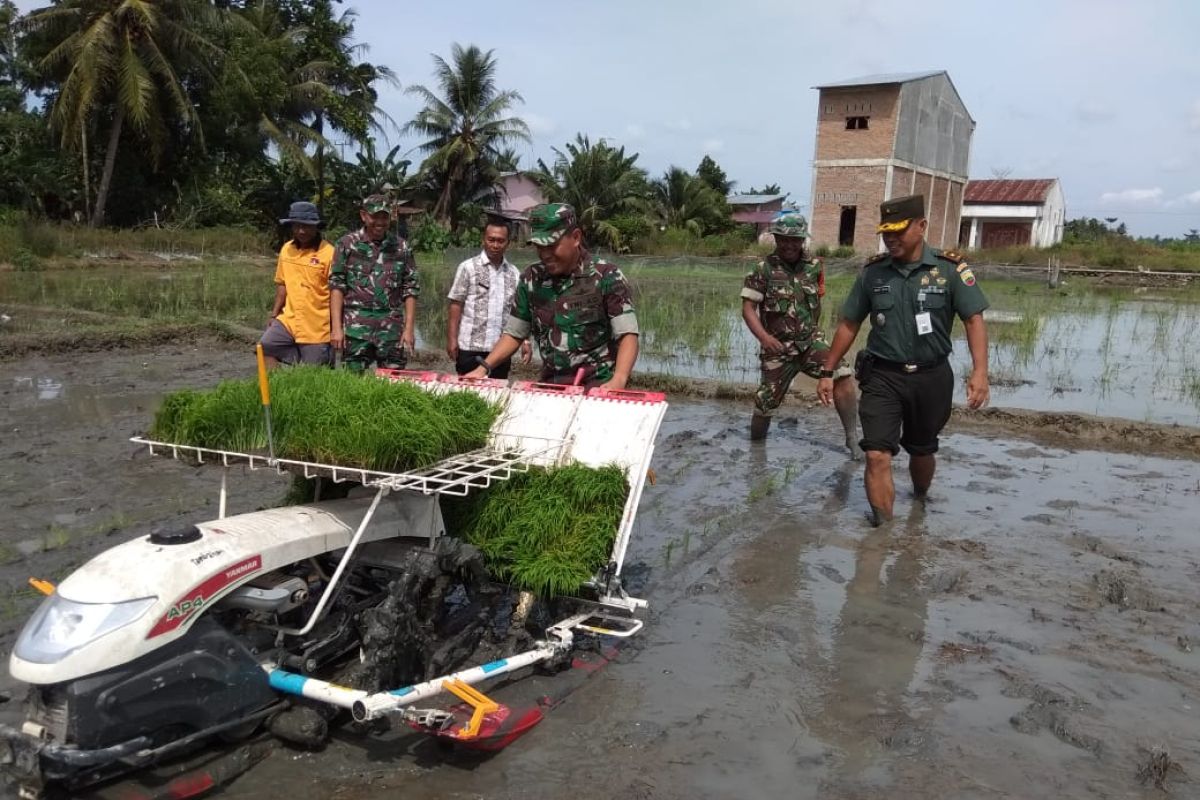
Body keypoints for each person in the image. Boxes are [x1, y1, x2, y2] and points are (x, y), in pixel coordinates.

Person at [817, 194, 990, 525]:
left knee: (922, 449)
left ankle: (920, 498)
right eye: (886, 232)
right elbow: (849, 323)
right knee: (876, 453)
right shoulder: (873, 273)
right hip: (883, 375)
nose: (891, 238)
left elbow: (973, 320)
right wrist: (827, 370)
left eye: (898, 230)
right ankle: (882, 530)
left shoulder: (950, 270)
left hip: (932, 377)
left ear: (921, 226)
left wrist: (980, 372)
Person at [465, 203, 639, 389]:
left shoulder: (606, 276)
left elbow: (627, 334)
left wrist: (619, 379)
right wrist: (483, 368)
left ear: (576, 237)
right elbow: (514, 334)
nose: (545, 254)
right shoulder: (532, 279)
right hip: (552, 386)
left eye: (551, 245)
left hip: (598, 387)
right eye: (539, 247)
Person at [740, 211, 860, 456]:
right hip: (778, 347)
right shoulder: (764, 269)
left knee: (843, 374)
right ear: (776, 239)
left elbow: (816, 301)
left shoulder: (815, 266)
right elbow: (748, 309)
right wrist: (765, 338)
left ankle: (851, 438)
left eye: (795, 239)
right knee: (765, 402)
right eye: (784, 239)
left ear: (802, 240)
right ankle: (756, 449)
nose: (789, 245)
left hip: (810, 343)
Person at [329, 194, 421, 372]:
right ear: (364, 215)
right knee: (352, 383)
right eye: (375, 216)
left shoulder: (401, 248)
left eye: (384, 217)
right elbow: (337, 287)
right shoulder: (347, 245)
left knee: (394, 384)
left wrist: (409, 329)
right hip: (356, 329)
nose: (380, 222)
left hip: (391, 330)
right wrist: (336, 328)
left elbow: (410, 289)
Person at [446, 214, 532, 378]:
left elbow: (519, 312)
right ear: (483, 240)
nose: (495, 245)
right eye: (491, 240)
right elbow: (456, 305)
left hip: (500, 350)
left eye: (500, 241)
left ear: (508, 243)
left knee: (495, 394)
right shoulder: (468, 268)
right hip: (470, 347)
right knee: (467, 391)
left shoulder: (513, 273)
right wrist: (451, 339)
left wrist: (525, 341)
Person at [259, 201, 335, 368]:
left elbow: (337, 293)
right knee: (264, 348)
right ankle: (278, 388)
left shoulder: (329, 253)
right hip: (289, 320)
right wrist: (274, 314)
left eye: (307, 226)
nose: (301, 231)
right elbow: (282, 284)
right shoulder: (287, 249)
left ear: (316, 227)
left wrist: (337, 327)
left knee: (315, 375)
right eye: (297, 226)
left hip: (317, 327)